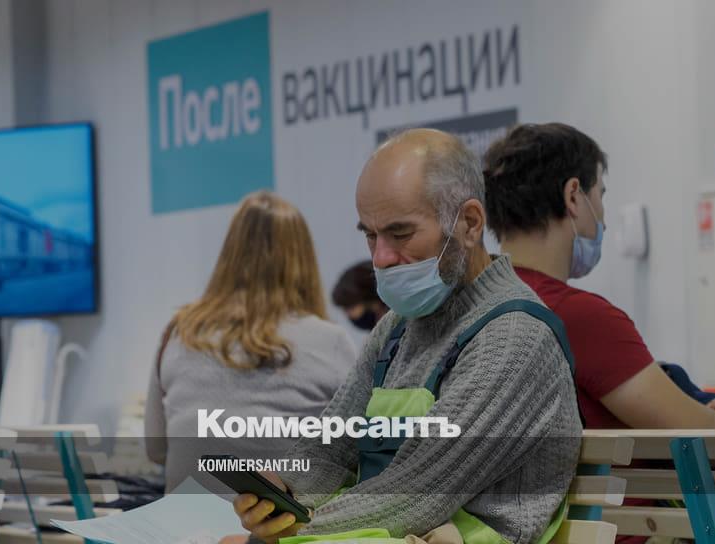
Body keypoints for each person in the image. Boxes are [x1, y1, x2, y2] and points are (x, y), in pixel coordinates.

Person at [223, 129, 581, 544]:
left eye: (400, 234)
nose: (381, 258)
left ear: (469, 223)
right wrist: (284, 494)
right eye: (370, 235)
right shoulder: (397, 328)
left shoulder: (516, 337)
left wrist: (288, 533)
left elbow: (414, 497)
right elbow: (330, 447)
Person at [482, 122, 715, 457]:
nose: (603, 220)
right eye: (600, 195)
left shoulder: (478, 305)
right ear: (573, 196)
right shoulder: (577, 317)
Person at [144, 191, 357, 492]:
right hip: (279, 520)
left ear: (229, 254)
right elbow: (356, 457)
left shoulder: (179, 332)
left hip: (184, 519)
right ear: (304, 260)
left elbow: (155, 450)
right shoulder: (331, 342)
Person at [331, 260, 388, 330]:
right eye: (345, 309)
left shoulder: (377, 285)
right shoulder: (362, 319)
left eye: (350, 308)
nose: (349, 314)